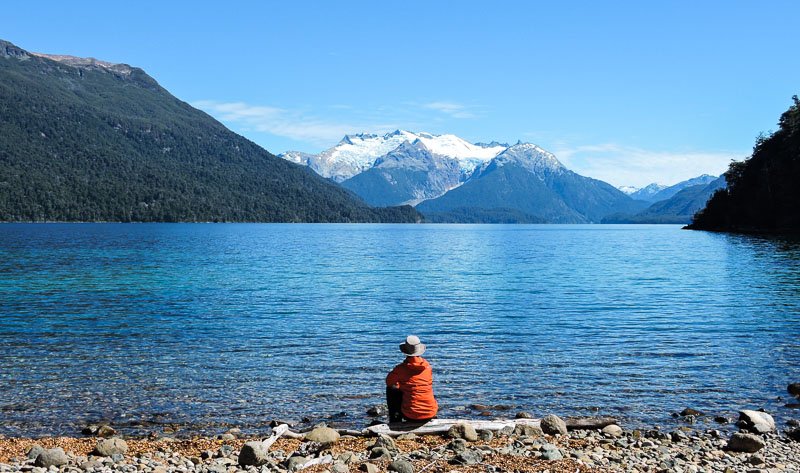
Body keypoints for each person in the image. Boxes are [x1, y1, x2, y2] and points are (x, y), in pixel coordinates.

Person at [385, 335, 438, 423]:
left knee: (391, 389)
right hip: (431, 413)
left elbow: (388, 382)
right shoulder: (428, 367)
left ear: (405, 352)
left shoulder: (400, 369)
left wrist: (399, 385)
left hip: (411, 415)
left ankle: (395, 420)